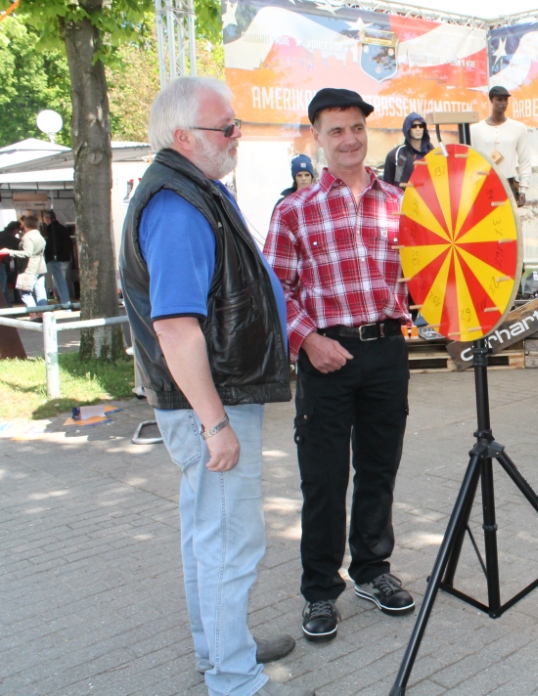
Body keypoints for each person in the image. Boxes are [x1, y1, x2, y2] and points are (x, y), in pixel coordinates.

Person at [118, 76, 313, 696]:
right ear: (182, 136)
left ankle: (222, 651)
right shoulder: (178, 206)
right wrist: (215, 423)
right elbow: (176, 328)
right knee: (230, 539)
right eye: (225, 127)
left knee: (210, 533)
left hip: (213, 397)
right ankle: (234, 677)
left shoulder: (194, 190)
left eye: (236, 125)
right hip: (212, 401)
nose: (236, 136)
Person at [264, 88, 416, 644]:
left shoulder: (400, 202)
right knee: (324, 478)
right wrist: (307, 341)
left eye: (356, 128)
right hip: (325, 357)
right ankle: (320, 591)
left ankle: (372, 571)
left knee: (379, 469)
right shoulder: (294, 210)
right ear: (317, 137)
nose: (349, 139)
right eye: (336, 130)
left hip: (385, 351)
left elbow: (426, 271)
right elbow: (274, 289)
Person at [469, 86, 531, 207]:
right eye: (499, 99)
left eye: (505, 99)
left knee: (509, 218)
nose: (503, 103)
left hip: (509, 183)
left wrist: (523, 188)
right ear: (491, 100)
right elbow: (471, 162)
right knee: (486, 217)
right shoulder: (475, 129)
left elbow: (525, 160)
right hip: (483, 184)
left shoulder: (518, 128)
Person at [0, 215, 47, 316]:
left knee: (24, 293)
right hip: (40, 266)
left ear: (25, 225)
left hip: (29, 268)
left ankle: (33, 314)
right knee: (40, 292)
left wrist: (9, 251)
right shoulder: (39, 236)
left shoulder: (27, 237)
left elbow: (27, 253)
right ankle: (43, 314)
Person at [382, 112, 434, 187]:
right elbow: (387, 187)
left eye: (421, 126)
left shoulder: (432, 153)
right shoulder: (396, 155)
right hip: (404, 194)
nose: (418, 129)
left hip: (428, 193)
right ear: (407, 129)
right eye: (414, 126)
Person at [42, 210, 73, 307]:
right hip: (64, 258)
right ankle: (64, 303)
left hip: (57, 259)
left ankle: (65, 304)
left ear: (48, 219)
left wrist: (49, 256)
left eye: (45, 219)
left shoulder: (52, 229)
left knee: (60, 283)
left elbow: (52, 245)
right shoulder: (62, 228)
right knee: (61, 282)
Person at [0, 220, 20, 307]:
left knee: (3, 287)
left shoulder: (1, 233)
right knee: (2, 287)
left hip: (2, 262)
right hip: (1, 262)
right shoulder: (12, 238)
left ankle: (8, 306)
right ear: (15, 229)